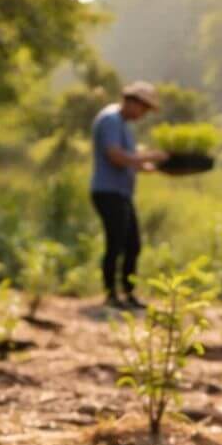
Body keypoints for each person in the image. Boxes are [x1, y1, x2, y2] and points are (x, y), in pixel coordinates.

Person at [90, 81, 168, 310]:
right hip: (108, 192)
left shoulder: (123, 124)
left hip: (121, 193)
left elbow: (128, 161)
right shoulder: (110, 119)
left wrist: (150, 166)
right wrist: (149, 156)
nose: (143, 115)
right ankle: (111, 294)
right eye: (143, 109)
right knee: (115, 244)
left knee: (132, 244)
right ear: (132, 102)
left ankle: (128, 293)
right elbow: (115, 156)